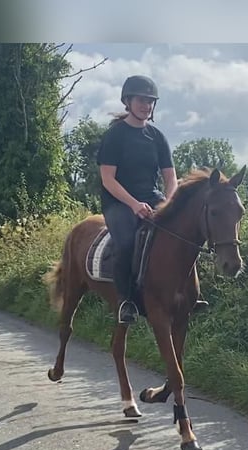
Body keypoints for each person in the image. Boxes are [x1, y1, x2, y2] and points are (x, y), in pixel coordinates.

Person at [97, 75, 175, 324]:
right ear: (128, 101)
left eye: (151, 101)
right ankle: (126, 301)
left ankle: (185, 294)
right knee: (127, 243)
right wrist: (133, 204)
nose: (146, 105)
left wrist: (169, 204)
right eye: (142, 100)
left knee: (180, 235)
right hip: (119, 202)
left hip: (152, 199)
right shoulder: (115, 136)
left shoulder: (158, 137)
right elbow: (108, 179)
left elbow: (171, 178)